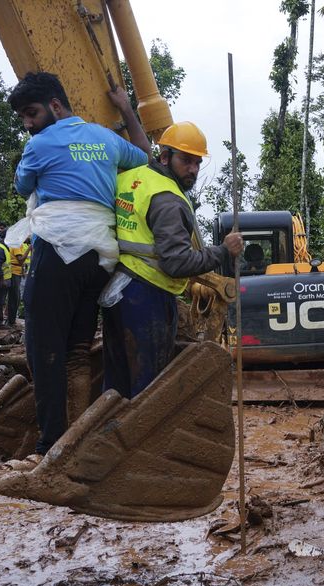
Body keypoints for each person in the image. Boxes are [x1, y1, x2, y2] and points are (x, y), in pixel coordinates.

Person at [8, 71, 151, 455]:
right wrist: (127, 110)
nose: (28, 123)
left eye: (31, 113)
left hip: (57, 251)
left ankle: (50, 443)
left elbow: (23, 187)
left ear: (56, 105)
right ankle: (80, 434)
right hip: (99, 260)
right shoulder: (106, 138)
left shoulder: (38, 146)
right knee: (76, 350)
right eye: (23, 116)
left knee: (43, 348)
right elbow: (146, 158)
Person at [103, 121, 243, 399]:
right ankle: (141, 442)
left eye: (197, 163)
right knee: (147, 388)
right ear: (165, 157)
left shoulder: (132, 177)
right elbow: (176, 264)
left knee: (116, 384)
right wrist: (223, 251)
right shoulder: (169, 199)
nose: (192, 169)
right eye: (186, 161)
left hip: (117, 291)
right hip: (146, 296)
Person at [3, 237, 28, 326]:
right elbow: (20, 260)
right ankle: (11, 321)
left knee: (14, 297)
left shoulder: (18, 245)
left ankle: (10, 319)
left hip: (17, 272)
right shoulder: (16, 246)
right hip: (14, 272)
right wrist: (29, 249)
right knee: (14, 297)